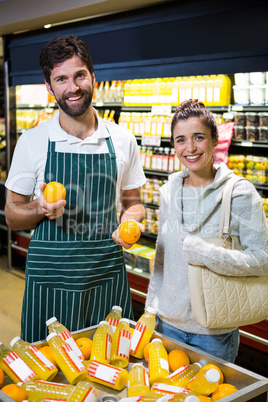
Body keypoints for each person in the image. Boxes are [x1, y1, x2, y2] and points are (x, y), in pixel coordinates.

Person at [5, 35, 146, 343]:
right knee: (49, 376)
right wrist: (39, 208)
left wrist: (130, 221)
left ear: (93, 76)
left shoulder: (122, 140)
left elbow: (134, 203)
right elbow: (12, 215)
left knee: (112, 366)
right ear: (49, 86)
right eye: (61, 79)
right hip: (50, 282)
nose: (73, 87)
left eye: (80, 75)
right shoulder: (33, 141)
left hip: (106, 275)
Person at [145, 99, 268, 362]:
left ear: (214, 140)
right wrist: (150, 308)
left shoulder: (240, 193)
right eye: (180, 140)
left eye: (198, 137)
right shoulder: (168, 191)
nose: (189, 148)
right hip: (165, 325)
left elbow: (262, 260)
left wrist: (203, 252)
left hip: (213, 332)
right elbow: (162, 257)